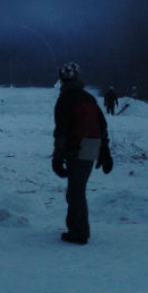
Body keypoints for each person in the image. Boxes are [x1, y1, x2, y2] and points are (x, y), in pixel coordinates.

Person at [52, 62, 113, 245]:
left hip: (76, 147)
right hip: (92, 146)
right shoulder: (89, 98)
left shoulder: (65, 99)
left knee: (76, 192)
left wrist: (57, 157)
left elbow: (62, 131)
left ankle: (79, 232)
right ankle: (76, 229)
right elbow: (102, 126)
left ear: (62, 79)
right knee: (76, 190)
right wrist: (105, 151)